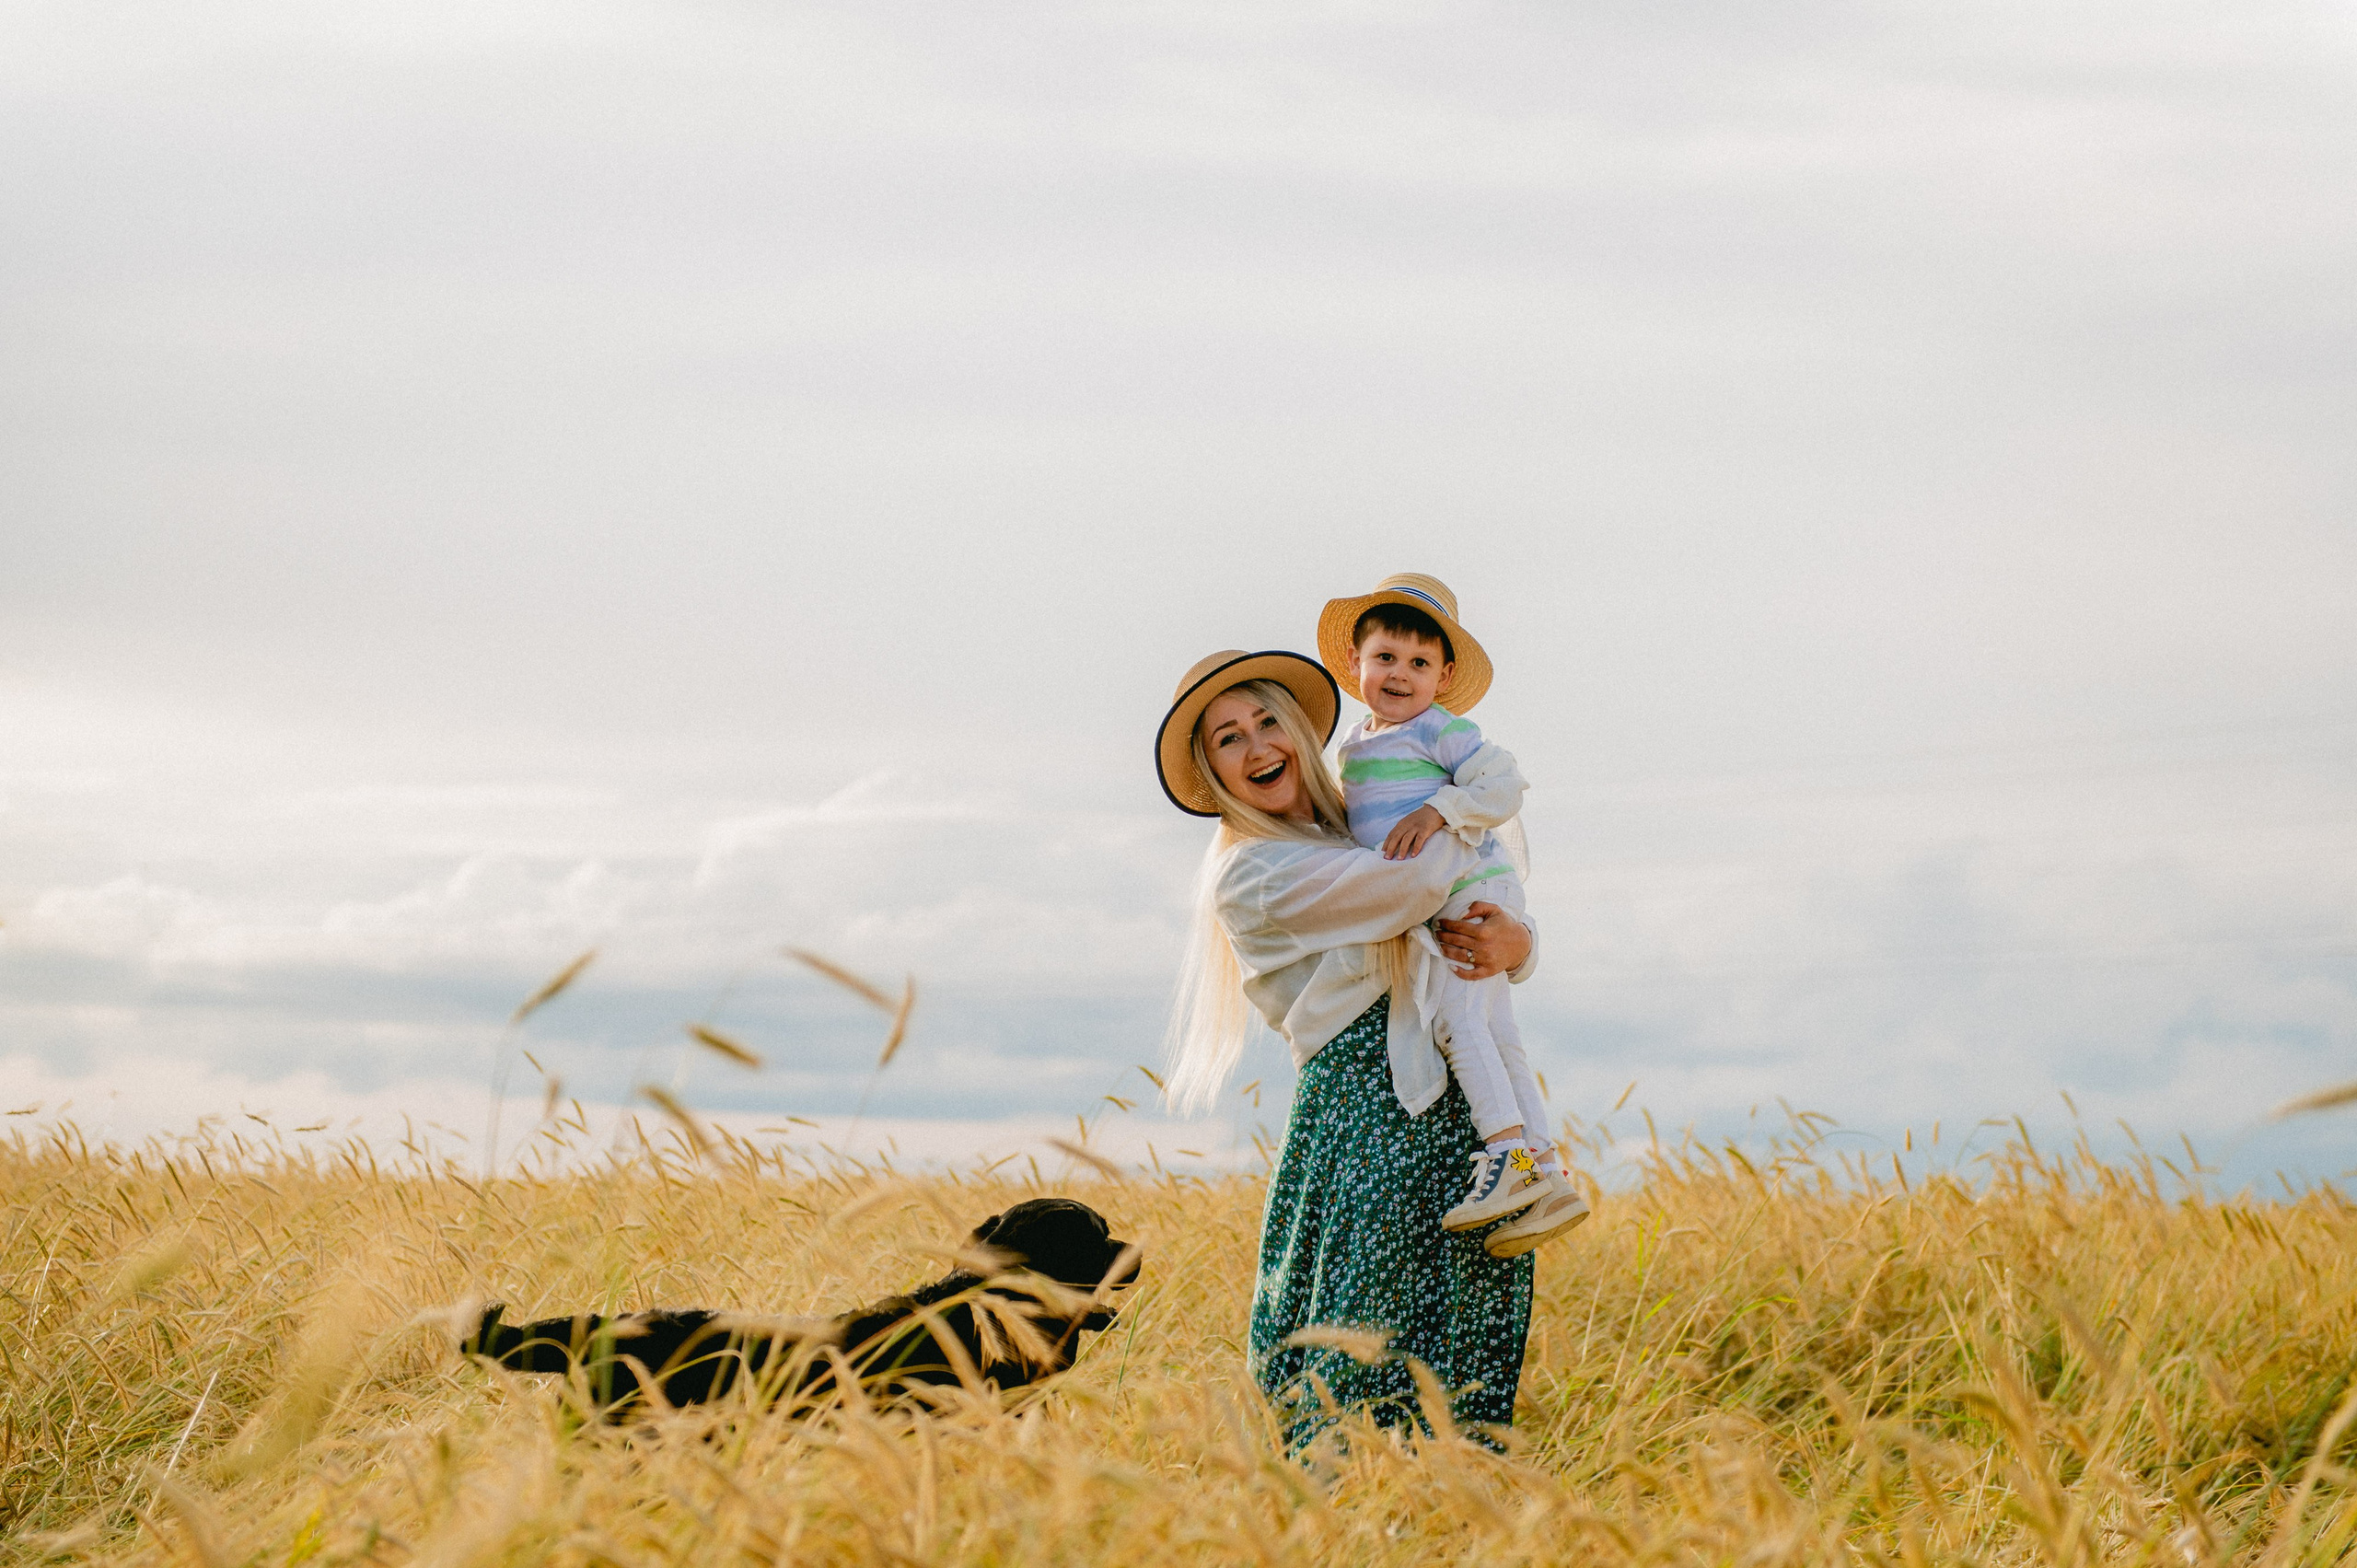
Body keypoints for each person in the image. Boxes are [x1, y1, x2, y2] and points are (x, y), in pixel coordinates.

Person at [1153, 648, 1585, 1449]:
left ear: (1299, 732)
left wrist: (1519, 942)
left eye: (1268, 721)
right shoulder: (1254, 871)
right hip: (1367, 1134)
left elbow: (1472, 915)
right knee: (1356, 1370)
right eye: (1228, 738)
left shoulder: (1363, 827)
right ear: (1212, 772)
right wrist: (1458, 805)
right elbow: (1417, 888)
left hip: (1466, 1135)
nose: (1258, 746)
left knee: (1465, 1370)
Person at [1314, 573, 1586, 1248]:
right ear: (1354, 661)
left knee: (1458, 1022)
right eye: (1385, 657)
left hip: (1474, 888)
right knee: (1498, 1032)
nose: (1400, 674)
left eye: (1419, 663)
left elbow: (1504, 783)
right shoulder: (1354, 746)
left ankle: (1506, 1157)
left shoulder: (1440, 729)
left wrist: (1440, 810)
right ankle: (1547, 1172)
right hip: (1455, 894)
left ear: (1444, 675)